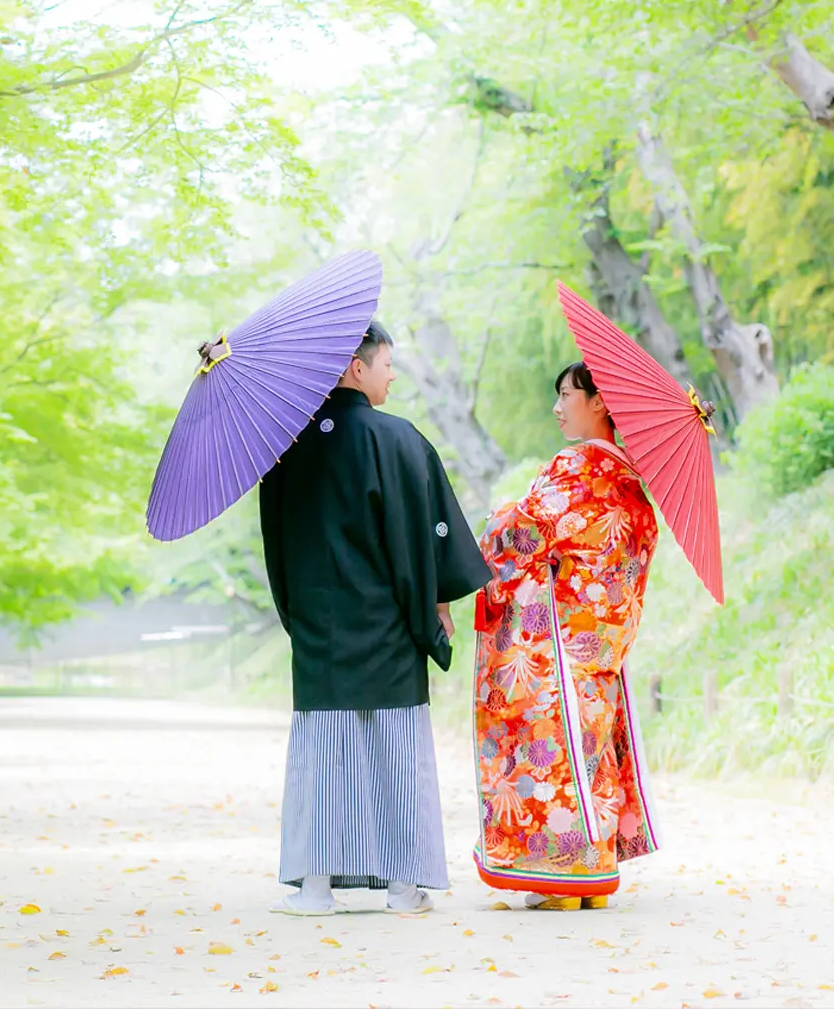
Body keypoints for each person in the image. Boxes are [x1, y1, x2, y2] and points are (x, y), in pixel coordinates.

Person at [259, 320, 493, 916]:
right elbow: (427, 536)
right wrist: (434, 602)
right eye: (386, 362)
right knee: (395, 753)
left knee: (323, 756)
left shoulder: (285, 448)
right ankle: (404, 887)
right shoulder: (399, 440)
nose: (392, 373)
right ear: (354, 367)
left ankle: (315, 888)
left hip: (321, 630)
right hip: (389, 626)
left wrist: (301, 617)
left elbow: (277, 545)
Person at [470, 361, 662, 911]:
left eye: (565, 394)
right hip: (602, 642)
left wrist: (496, 517)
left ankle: (564, 878)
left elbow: (525, 531)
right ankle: (594, 874)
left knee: (555, 753)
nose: (557, 407)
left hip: (557, 640)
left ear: (599, 402)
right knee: (592, 746)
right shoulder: (631, 481)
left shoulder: (575, 467)